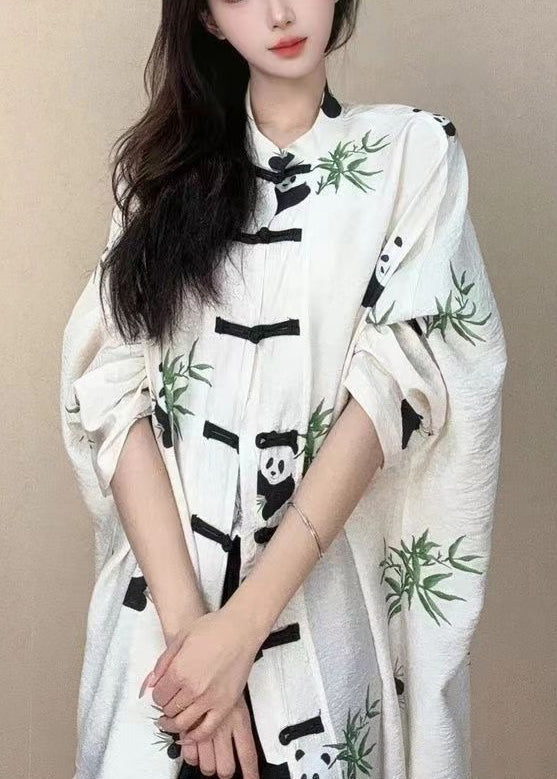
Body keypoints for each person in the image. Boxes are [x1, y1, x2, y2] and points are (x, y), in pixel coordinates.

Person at [59, 1, 508, 778]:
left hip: (319, 652)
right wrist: (193, 645)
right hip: (159, 654)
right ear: (205, 17)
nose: (278, 11)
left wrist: (241, 632)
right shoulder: (156, 176)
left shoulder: (410, 157)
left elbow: (396, 388)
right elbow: (112, 391)